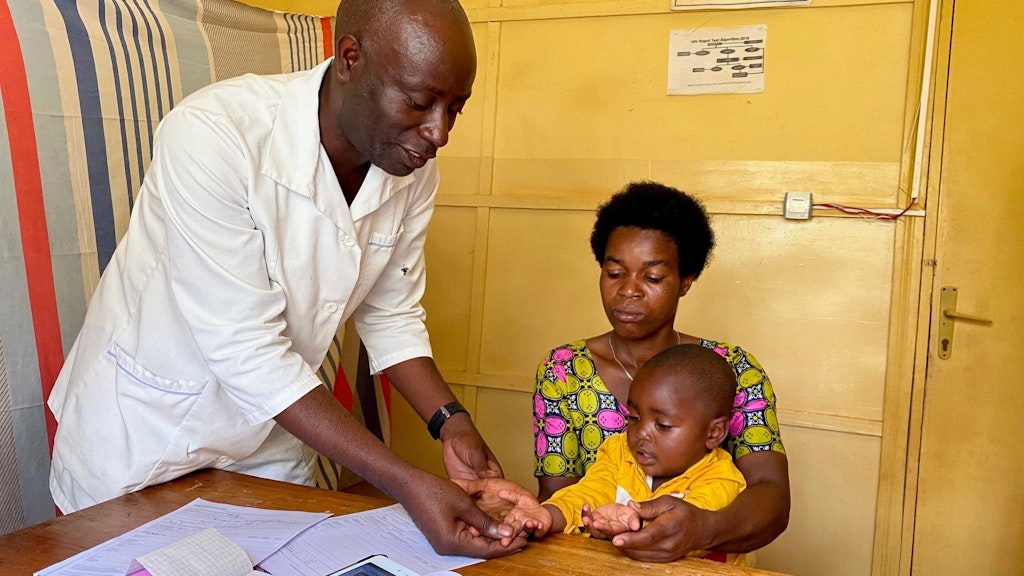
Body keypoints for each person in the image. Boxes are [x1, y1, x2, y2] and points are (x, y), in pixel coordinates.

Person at [46, 0, 525, 559]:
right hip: (145, 433)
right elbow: (247, 351)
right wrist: (405, 482)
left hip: (266, 436)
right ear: (350, 57)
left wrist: (452, 424)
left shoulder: (408, 164)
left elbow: (391, 312)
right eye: (420, 103)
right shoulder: (214, 136)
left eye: (456, 109)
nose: (439, 133)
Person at [533, 181, 790, 561]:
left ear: (686, 281)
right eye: (615, 272)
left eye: (652, 278)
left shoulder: (735, 371)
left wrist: (703, 528)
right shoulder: (563, 371)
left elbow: (771, 497)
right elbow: (562, 498)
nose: (628, 291)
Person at [510, 344, 749, 565]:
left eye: (663, 425)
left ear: (714, 432)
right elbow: (586, 494)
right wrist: (547, 514)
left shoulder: (723, 479)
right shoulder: (618, 452)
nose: (641, 433)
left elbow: (680, 526)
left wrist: (632, 524)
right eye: (634, 418)